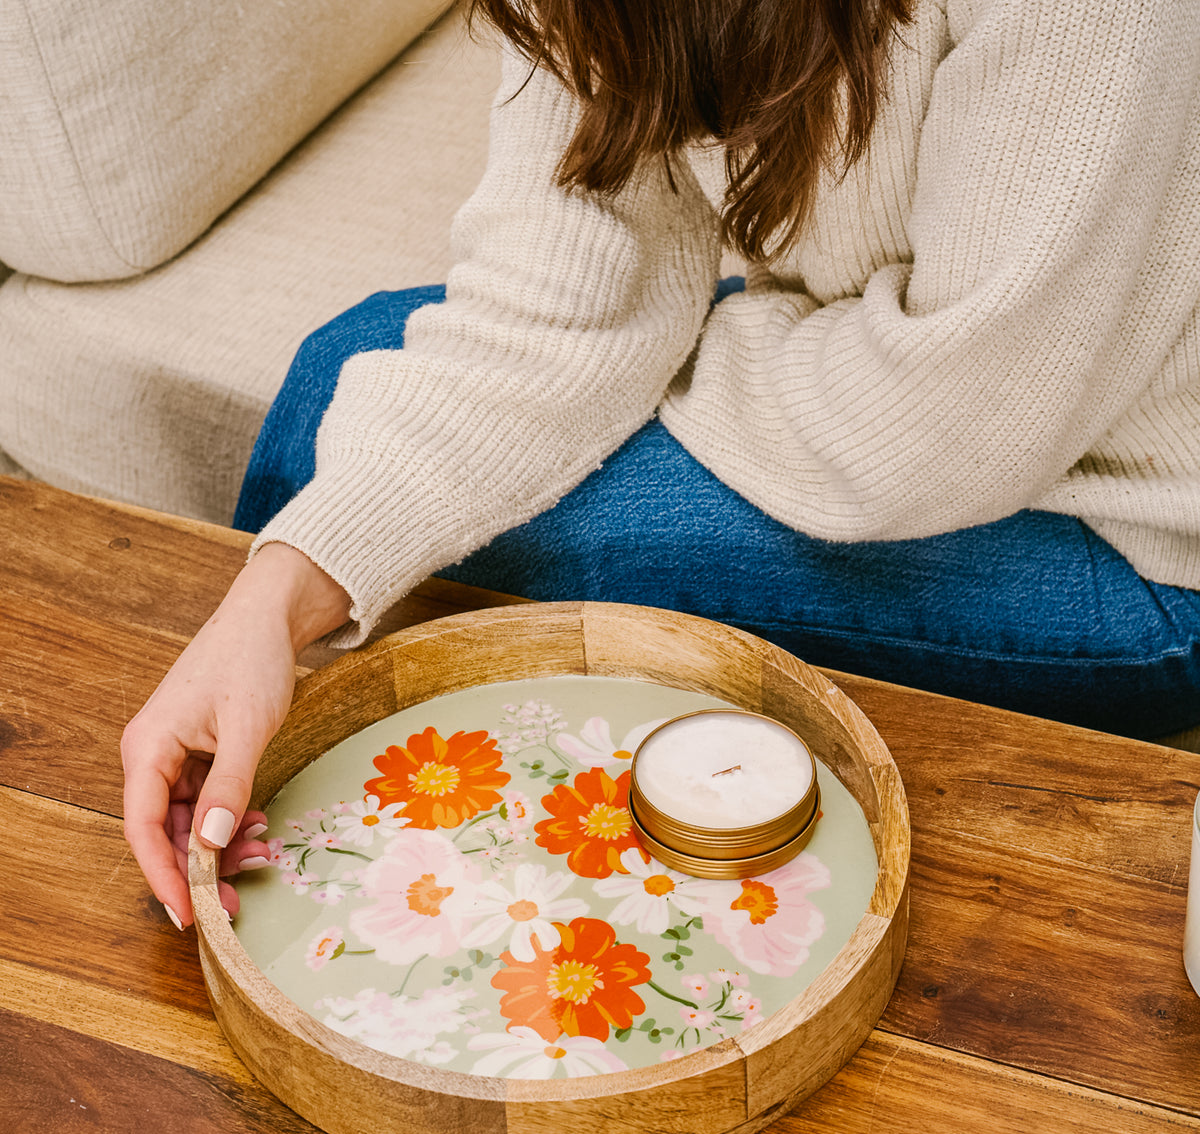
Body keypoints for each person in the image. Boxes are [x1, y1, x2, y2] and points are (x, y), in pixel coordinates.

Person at [121, 0, 1200, 927]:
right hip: (915, 392)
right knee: (336, 382)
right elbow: (560, 286)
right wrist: (270, 603)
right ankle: (284, 847)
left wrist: (656, 358)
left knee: (490, 515)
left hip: (1131, 520)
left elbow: (947, 419)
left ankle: (380, 900)